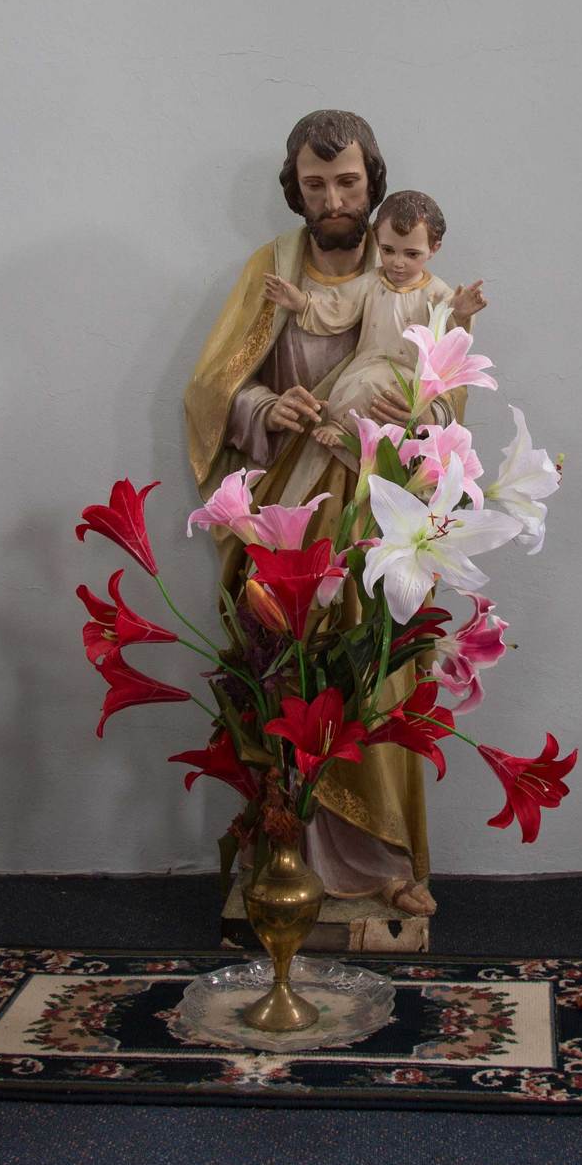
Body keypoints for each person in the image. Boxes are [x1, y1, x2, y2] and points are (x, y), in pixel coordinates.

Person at [182, 112, 459, 917]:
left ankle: (383, 865)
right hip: (289, 507)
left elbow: (447, 383)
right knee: (287, 671)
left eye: (347, 181)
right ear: (295, 188)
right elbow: (210, 388)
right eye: (315, 183)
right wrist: (268, 409)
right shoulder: (271, 269)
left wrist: (403, 423)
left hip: (376, 506)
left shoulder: (408, 262)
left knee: (375, 671)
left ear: (372, 178)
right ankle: (285, 852)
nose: (334, 197)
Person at [261, 189, 489, 457]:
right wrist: (300, 301)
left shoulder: (436, 292)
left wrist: (460, 312)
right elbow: (338, 305)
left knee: (394, 402)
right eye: (388, 250)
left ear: (433, 249)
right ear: (377, 239)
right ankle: (342, 426)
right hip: (369, 363)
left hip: (407, 374)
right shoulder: (371, 282)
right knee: (351, 388)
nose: (398, 263)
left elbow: (450, 337)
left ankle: (380, 441)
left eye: (411, 254)